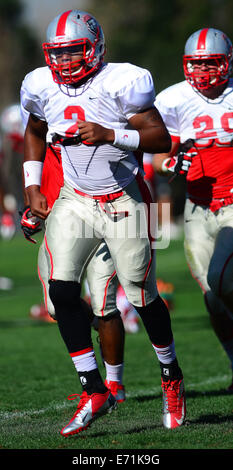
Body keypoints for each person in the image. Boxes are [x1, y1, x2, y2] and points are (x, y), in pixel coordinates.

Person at [20, 9, 186, 435]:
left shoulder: (122, 81)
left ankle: (170, 375)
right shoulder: (41, 85)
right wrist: (32, 184)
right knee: (60, 289)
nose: (64, 62)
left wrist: (112, 134)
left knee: (141, 294)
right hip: (75, 199)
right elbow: (35, 129)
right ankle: (94, 389)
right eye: (57, 53)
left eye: (73, 52)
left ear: (94, 48)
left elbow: (161, 139)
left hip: (124, 198)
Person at [153, 27, 233, 391]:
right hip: (198, 208)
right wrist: (170, 165)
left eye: (210, 63)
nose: (203, 71)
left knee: (221, 277)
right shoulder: (173, 99)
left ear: (227, 63)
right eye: (196, 64)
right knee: (212, 298)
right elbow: (156, 155)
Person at [20, 139, 126, 403]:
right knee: (57, 307)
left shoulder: (98, 109)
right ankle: (96, 328)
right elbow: (39, 167)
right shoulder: (39, 112)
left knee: (105, 303)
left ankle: (113, 385)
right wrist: (33, 204)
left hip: (102, 211)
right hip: (59, 218)